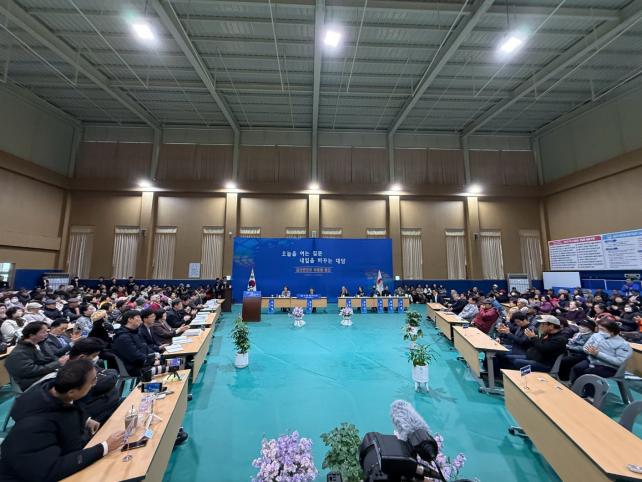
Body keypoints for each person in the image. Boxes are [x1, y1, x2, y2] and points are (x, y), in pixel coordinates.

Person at [0, 359, 125, 481]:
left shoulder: (53, 391)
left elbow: (68, 409)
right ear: (72, 392)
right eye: (92, 381)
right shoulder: (37, 425)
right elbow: (52, 469)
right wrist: (104, 447)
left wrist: (85, 420)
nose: (95, 384)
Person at [5, 321, 69, 391]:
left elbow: (51, 358)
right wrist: (58, 363)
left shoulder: (39, 344)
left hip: (45, 375)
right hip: (32, 382)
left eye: (47, 331)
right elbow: (32, 371)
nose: (47, 334)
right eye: (43, 332)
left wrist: (59, 362)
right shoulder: (19, 353)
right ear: (31, 335)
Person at [111, 310, 159, 376]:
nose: (140, 319)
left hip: (145, 363)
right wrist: (152, 361)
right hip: (137, 369)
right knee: (169, 367)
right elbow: (135, 356)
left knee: (169, 361)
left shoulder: (136, 332)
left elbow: (145, 347)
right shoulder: (123, 337)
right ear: (130, 319)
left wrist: (156, 356)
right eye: (138, 317)